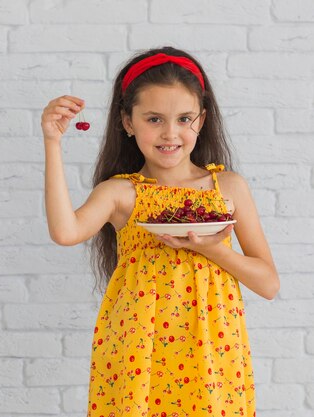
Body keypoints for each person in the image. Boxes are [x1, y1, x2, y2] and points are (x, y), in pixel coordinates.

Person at [41, 46, 279, 416]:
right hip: (139, 353)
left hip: (213, 352)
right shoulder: (121, 192)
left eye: (184, 119)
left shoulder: (227, 188)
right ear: (127, 121)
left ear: (201, 119)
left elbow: (268, 284)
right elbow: (65, 231)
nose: (171, 133)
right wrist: (52, 142)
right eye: (154, 119)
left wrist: (212, 250)